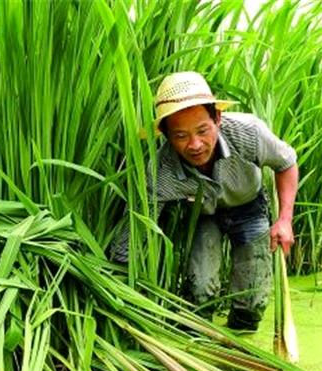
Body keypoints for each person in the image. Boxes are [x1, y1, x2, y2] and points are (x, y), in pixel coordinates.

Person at [113, 72, 298, 331]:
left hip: (249, 206)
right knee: (199, 290)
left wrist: (285, 220)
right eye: (181, 136)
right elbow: (135, 232)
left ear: (217, 118)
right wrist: (114, 279)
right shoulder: (161, 173)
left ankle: (241, 335)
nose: (195, 145)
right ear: (166, 135)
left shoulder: (249, 132)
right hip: (201, 214)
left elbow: (286, 163)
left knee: (252, 299)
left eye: (202, 130)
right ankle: (198, 338)